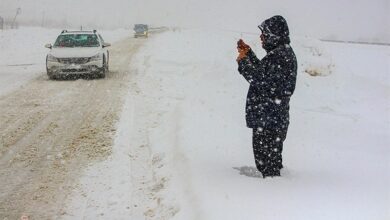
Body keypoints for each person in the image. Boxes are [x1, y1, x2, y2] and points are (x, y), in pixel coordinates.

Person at [236, 15, 297, 178]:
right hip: (271, 119)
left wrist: (243, 62)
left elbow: (260, 80)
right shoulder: (279, 53)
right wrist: (248, 55)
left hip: (270, 121)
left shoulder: (281, 56)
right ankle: (274, 190)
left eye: (265, 34)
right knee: (270, 163)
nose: (261, 37)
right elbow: (263, 73)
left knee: (268, 167)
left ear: (274, 35)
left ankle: (271, 196)